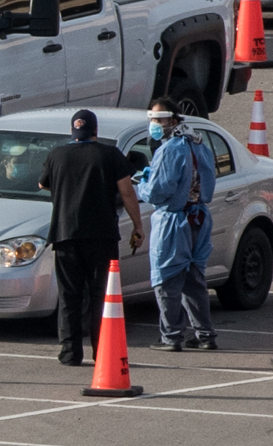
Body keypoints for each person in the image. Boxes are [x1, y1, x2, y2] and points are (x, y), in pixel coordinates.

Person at [37, 108, 143, 365]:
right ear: (95, 130)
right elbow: (127, 192)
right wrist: (138, 226)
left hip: (64, 235)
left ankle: (70, 352)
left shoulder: (56, 155)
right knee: (100, 296)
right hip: (101, 236)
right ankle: (102, 351)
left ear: (73, 131)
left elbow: (42, 184)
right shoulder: (110, 155)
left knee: (69, 296)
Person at [139, 104, 221, 352]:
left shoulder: (169, 150)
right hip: (200, 219)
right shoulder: (198, 143)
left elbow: (157, 191)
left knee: (166, 280)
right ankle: (205, 334)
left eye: (158, 119)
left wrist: (141, 184)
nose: (153, 124)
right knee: (195, 281)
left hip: (173, 221)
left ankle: (171, 336)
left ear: (172, 120)